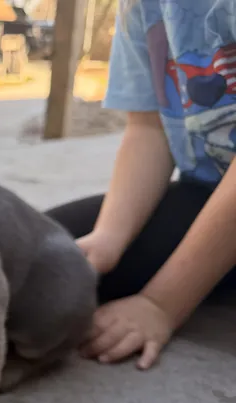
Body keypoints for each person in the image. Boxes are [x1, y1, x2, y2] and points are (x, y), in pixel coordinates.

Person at [45, 0, 236, 370]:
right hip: (207, 194)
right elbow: (149, 128)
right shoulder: (144, 7)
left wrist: (160, 304)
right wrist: (109, 236)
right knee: (34, 259)